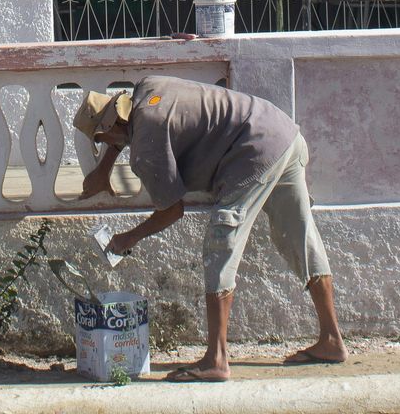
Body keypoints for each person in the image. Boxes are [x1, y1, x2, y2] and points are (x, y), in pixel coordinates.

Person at [74, 76, 346, 383]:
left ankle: (216, 359)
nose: (107, 146)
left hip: (252, 152)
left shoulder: (145, 147)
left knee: (220, 242)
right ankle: (332, 340)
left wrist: (128, 238)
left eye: (102, 141)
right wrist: (104, 169)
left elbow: (172, 210)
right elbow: (124, 130)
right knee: (300, 237)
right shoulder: (146, 88)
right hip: (283, 134)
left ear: (109, 130)